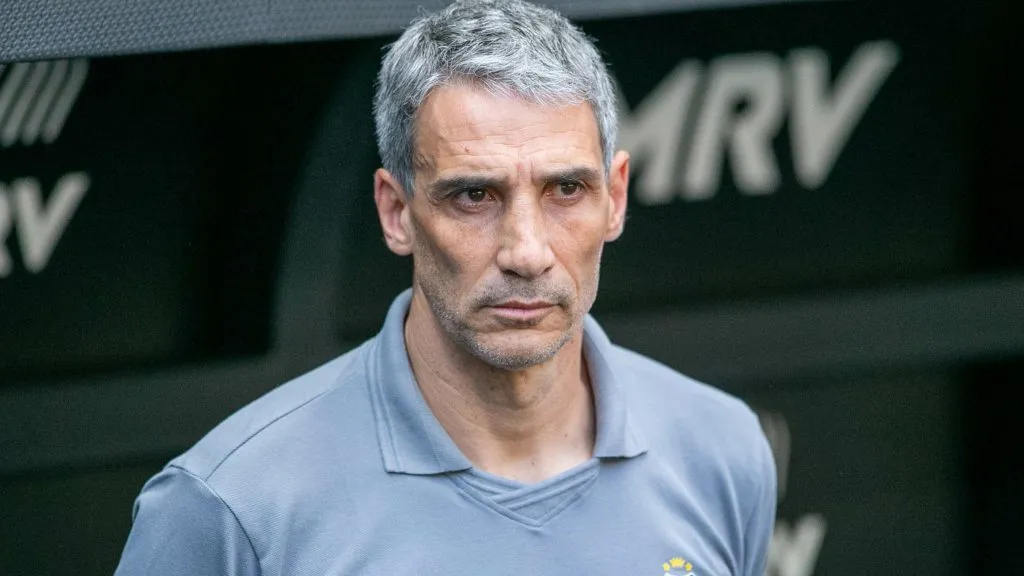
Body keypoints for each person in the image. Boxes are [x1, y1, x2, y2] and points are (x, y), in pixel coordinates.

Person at [114, 1, 777, 574]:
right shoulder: (231, 507)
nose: (526, 252)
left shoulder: (721, 450)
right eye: (473, 195)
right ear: (395, 211)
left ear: (616, 198)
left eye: (566, 189)